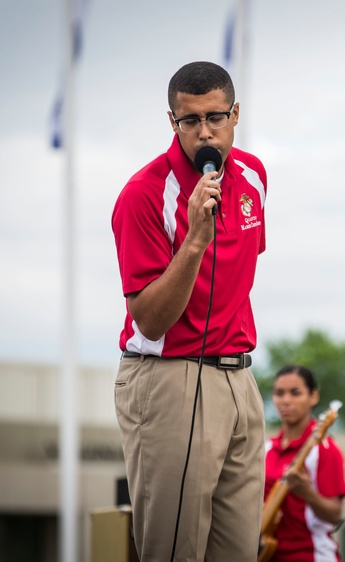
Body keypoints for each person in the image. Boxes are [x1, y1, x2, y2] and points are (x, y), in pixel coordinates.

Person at [111, 60, 268, 561]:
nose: (205, 133)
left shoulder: (254, 176)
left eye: (215, 118)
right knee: (175, 551)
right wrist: (195, 241)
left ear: (235, 114)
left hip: (239, 377)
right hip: (171, 375)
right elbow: (150, 319)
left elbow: (238, 277)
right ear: (172, 121)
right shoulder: (143, 195)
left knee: (239, 551)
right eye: (190, 121)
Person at [263, 365, 345, 562]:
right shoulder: (266, 450)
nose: (286, 400)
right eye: (279, 393)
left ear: (314, 396)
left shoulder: (325, 450)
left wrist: (306, 492)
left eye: (295, 393)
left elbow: (334, 515)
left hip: (311, 556)